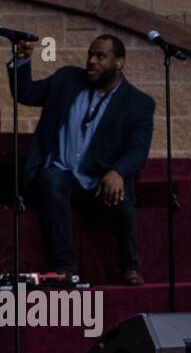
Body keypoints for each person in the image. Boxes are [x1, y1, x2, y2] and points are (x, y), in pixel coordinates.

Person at [7, 35, 154, 285]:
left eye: (100, 56)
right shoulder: (67, 79)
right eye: (90, 54)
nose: (92, 61)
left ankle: (130, 265)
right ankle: (65, 267)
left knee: (122, 194)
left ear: (119, 62)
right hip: (63, 174)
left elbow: (137, 150)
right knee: (51, 179)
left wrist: (118, 171)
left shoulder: (138, 103)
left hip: (100, 178)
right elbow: (27, 94)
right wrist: (22, 61)